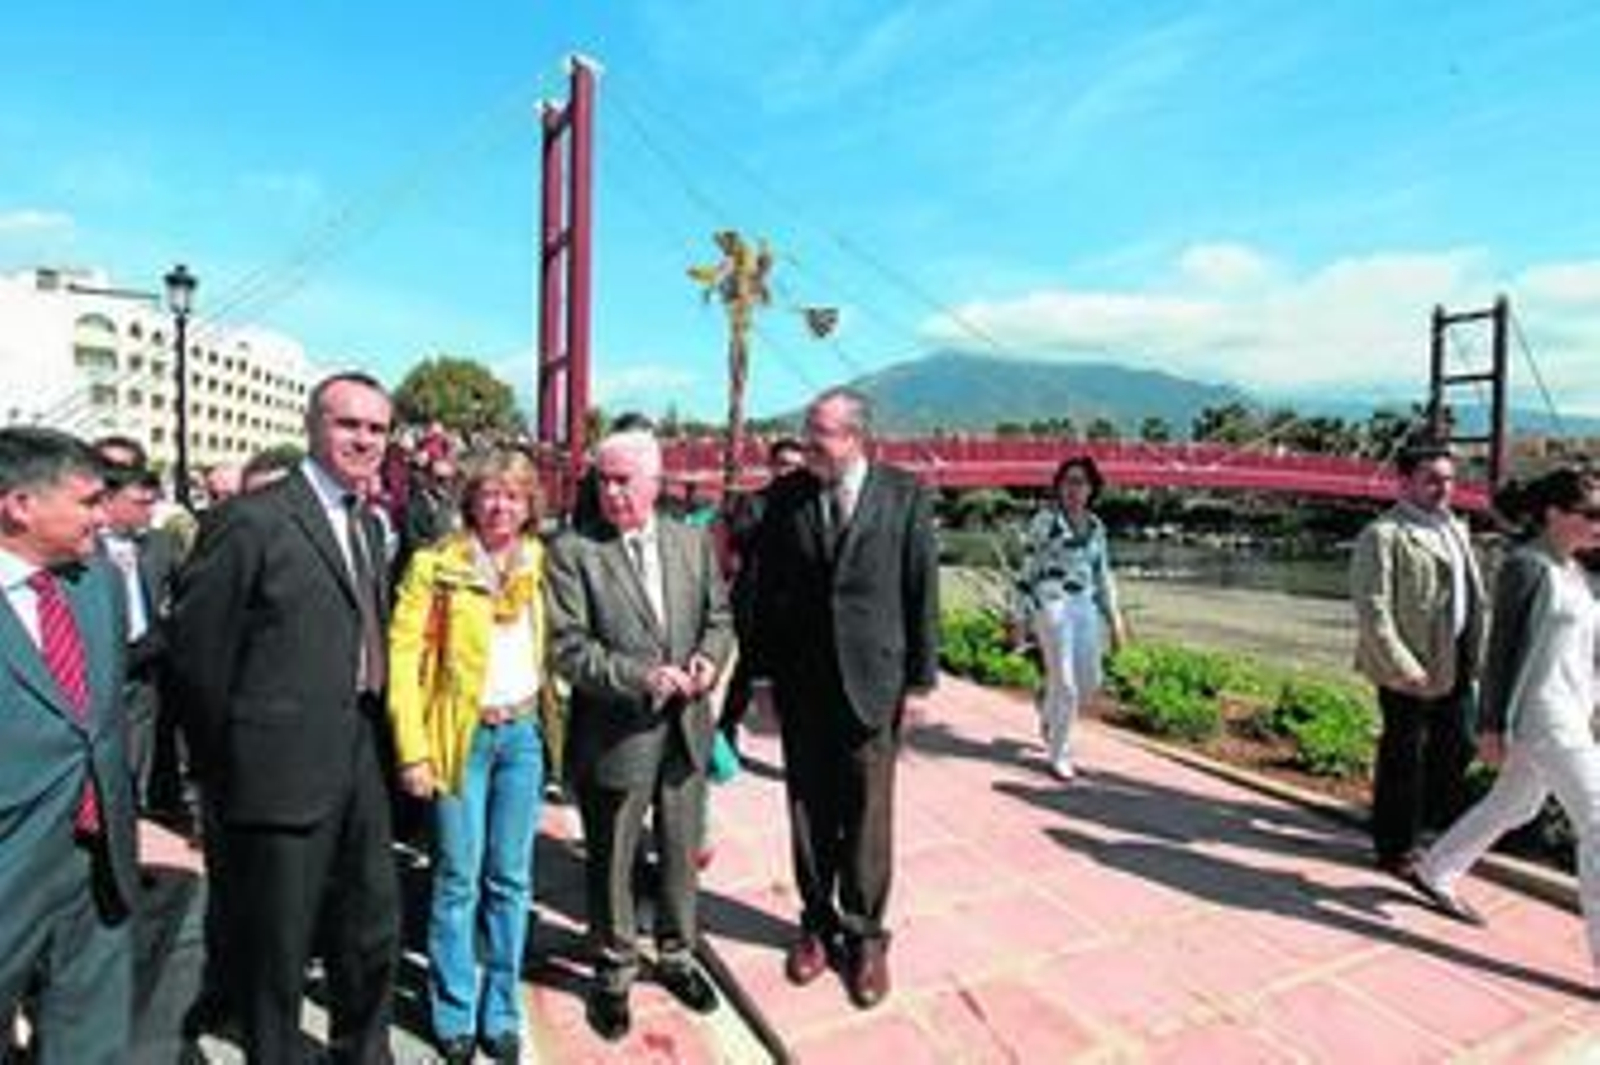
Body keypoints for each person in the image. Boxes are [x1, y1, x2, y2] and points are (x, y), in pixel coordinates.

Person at [167, 371, 400, 1063]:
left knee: (373, 923)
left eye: (377, 428)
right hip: (276, 768)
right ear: (312, 426)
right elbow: (198, 655)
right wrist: (226, 767)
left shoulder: (364, 520)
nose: (364, 439)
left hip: (359, 747)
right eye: (348, 423)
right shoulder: (252, 518)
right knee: (278, 940)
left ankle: (363, 1050)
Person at [749, 386, 939, 1009]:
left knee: (867, 814)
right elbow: (765, 592)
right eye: (807, 431)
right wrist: (761, 679)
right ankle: (815, 923)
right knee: (806, 810)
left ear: (855, 437)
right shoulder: (786, 496)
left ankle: (865, 936)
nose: (807, 445)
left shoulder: (905, 495)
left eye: (820, 434)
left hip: (873, 683)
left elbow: (920, 593)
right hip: (803, 684)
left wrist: (919, 682)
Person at [546, 427, 733, 1041]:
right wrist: (641, 677)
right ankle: (613, 969)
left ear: (655, 481)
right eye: (603, 478)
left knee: (680, 853)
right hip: (616, 733)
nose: (611, 490)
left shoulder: (690, 541)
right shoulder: (574, 551)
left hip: (685, 731)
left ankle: (677, 955)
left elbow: (719, 618)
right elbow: (569, 650)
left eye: (624, 478)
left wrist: (709, 658)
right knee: (612, 860)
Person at [387, 449, 558, 1064]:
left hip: (522, 738)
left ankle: (501, 1011)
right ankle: (454, 1010)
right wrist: (414, 750)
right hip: (460, 740)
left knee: (510, 880)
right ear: (471, 499)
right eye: (490, 493)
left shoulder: (539, 561)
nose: (501, 505)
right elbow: (403, 660)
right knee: (457, 879)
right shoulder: (436, 565)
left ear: (529, 503)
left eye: (514, 494)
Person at [1408, 467, 1600, 971]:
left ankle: (1436, 870)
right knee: (1598, 822)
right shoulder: (1525, 566)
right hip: (1541, 714)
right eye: (1593, 514)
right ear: (1555, 515)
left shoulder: (1579, 573)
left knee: (1514, 804)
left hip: (1573, 712)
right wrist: (1491, 725)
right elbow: (1501, 652)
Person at [0, 427, 140, 1064]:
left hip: (97, 853)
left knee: (92, 1035)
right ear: (19, 505)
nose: (102, 515)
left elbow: (103, 718)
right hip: (11, 860)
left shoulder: (97, 582)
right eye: (86, 502)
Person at [1351, 441, 1486, 876]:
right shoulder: (1383, 534)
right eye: (1431, 479)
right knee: (1403, 755)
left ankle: (1428, 824)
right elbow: (1374, 610)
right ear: (1404, 481)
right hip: (1410, 664)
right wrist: (1403, 667)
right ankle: (1396, 848)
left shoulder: (1456, 528)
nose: (1442, 488)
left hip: (1458, 657)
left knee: (1459, 744)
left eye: (1448, 479)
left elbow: (1472, 596)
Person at [1012, 455, 1127, 781]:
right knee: (1066, 683)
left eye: (1080, 482)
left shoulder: (1096, 527)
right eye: (1067, 482)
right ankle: (1059, 753)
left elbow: (1103, 575)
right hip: (1052, 604)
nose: (1073, 489)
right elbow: (1026, 571)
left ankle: (1047, 703)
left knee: (1090, 681)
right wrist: (1018, 618)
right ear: (1059, 487)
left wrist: (1115, 619)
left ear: (1092, 488)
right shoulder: (1045, 522)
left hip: (1084, 606)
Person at [91, 441, 185, 819]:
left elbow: (185, 593)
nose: (151, 510)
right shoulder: (80, 548)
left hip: (145, 675)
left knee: (136, 767)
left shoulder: (161, 543)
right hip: (96, 673)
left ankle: (132, 830)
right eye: (141, 503)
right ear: (109, 501)